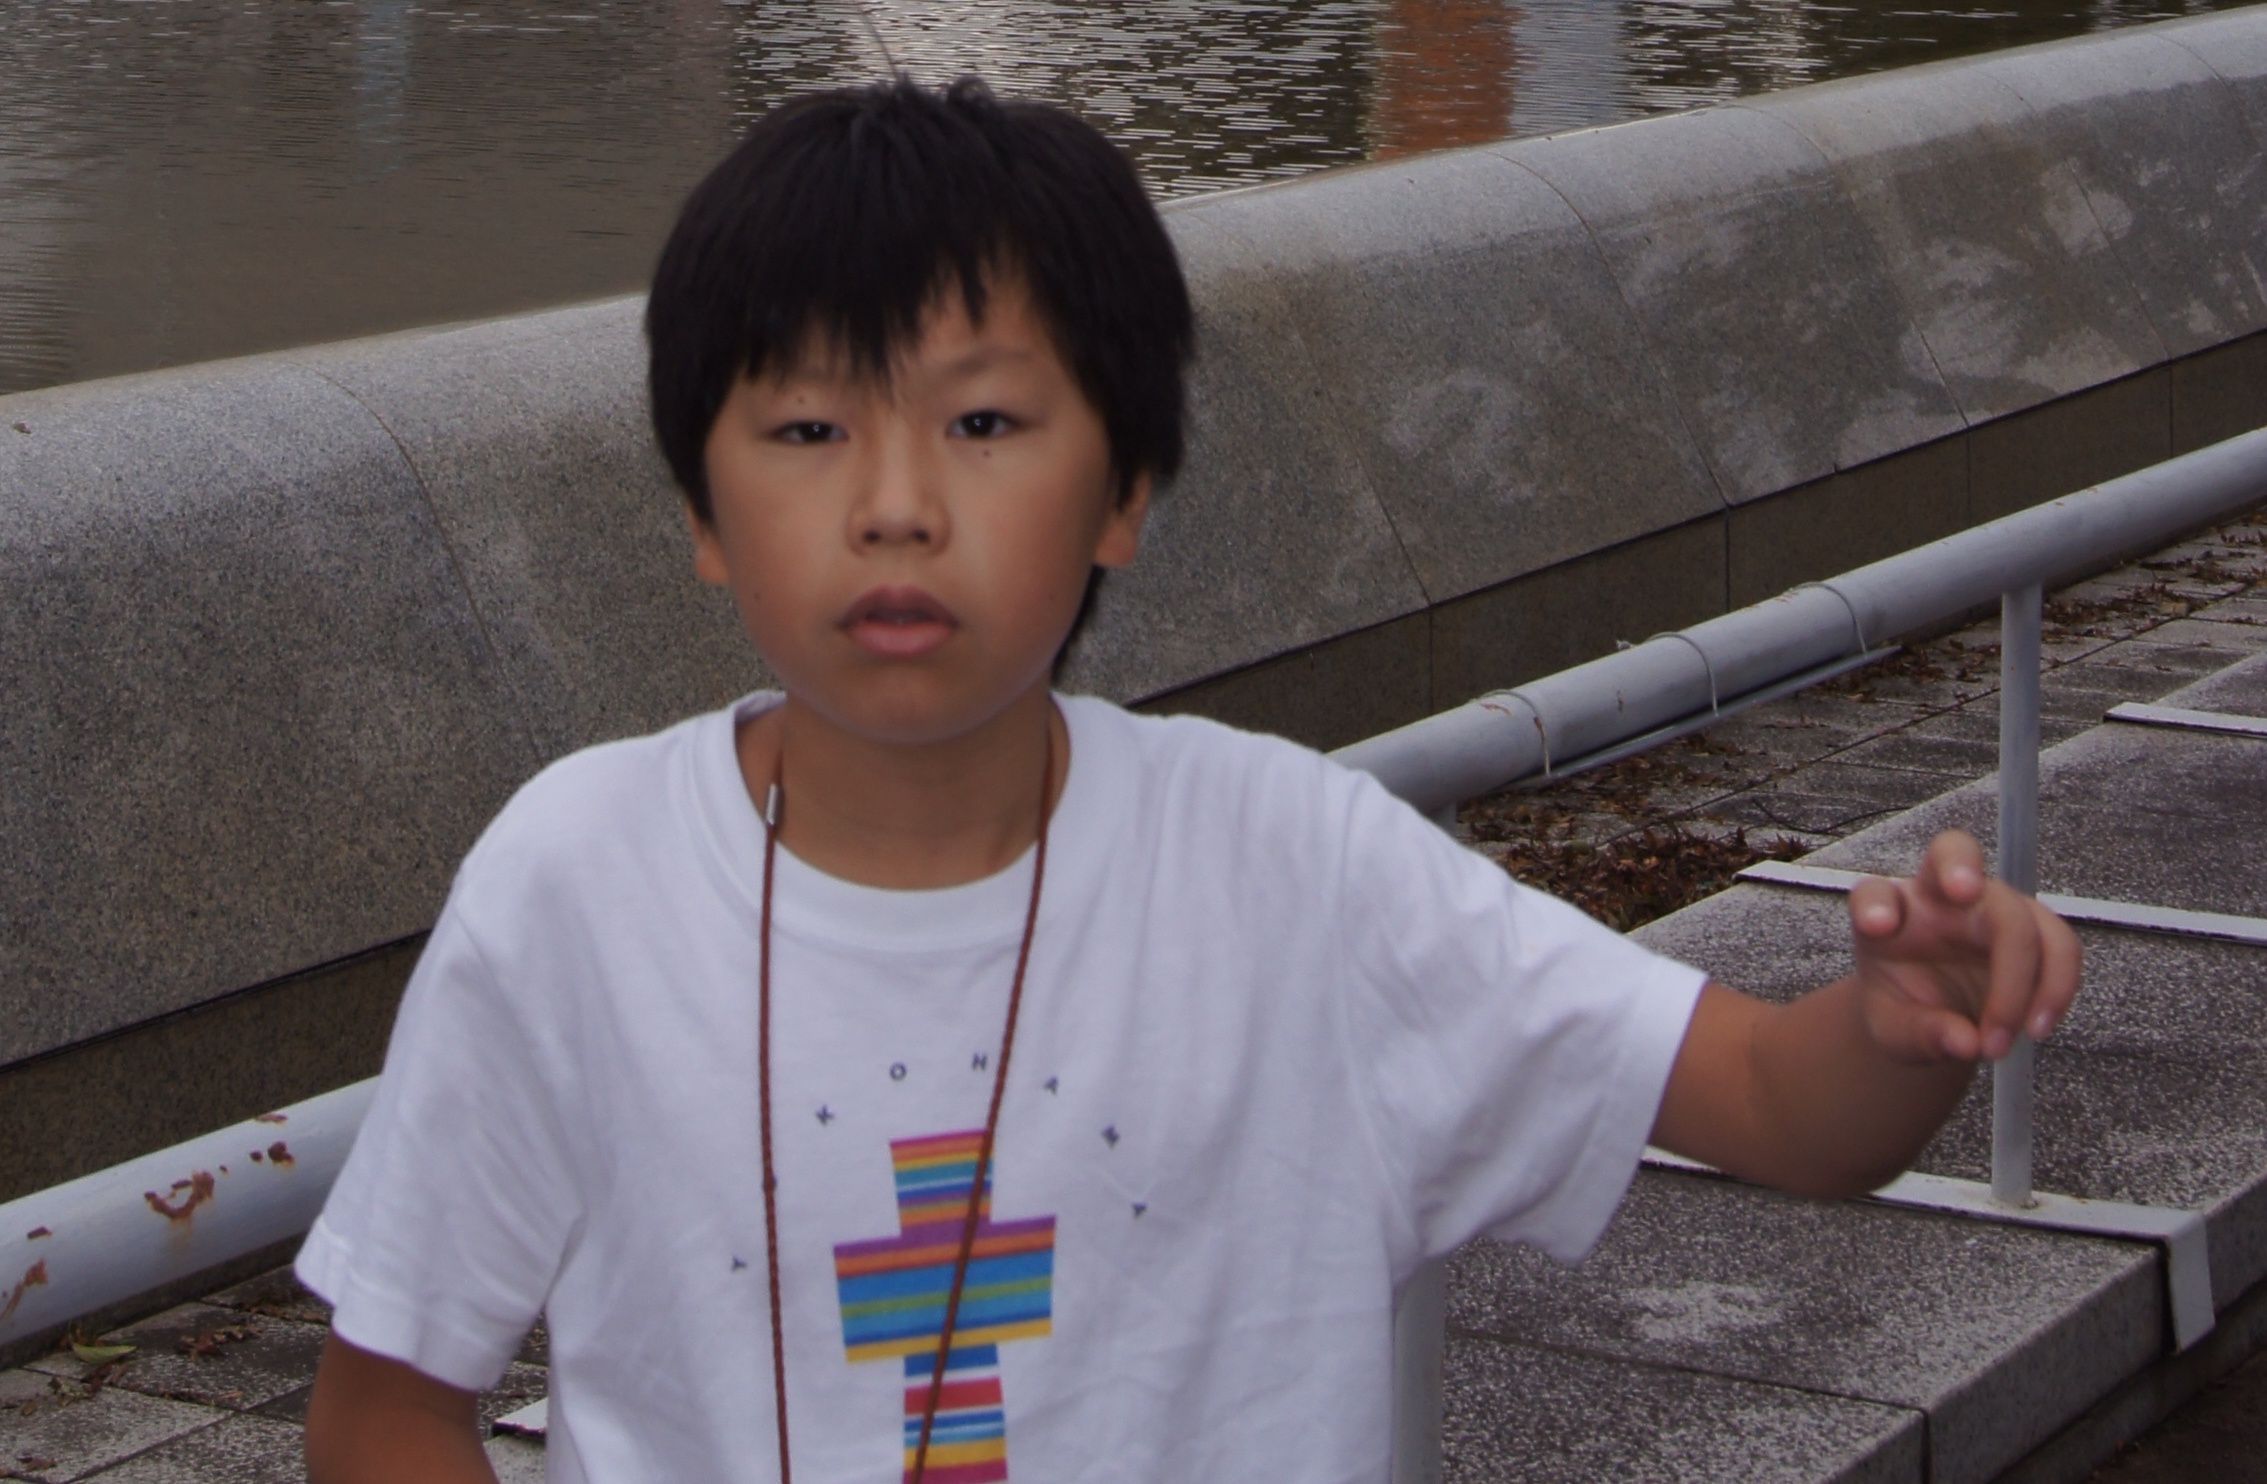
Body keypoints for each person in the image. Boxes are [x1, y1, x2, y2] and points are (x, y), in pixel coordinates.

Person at [298, 78, 2083, 1484]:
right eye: (803, 428)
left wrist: (1893, 1020)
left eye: (983, 422)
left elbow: (1775, 1103)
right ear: (698, 510)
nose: (894, 500)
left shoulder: (1287, 867)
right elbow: (384, 1403)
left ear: (1123, 490)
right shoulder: (579, 882)